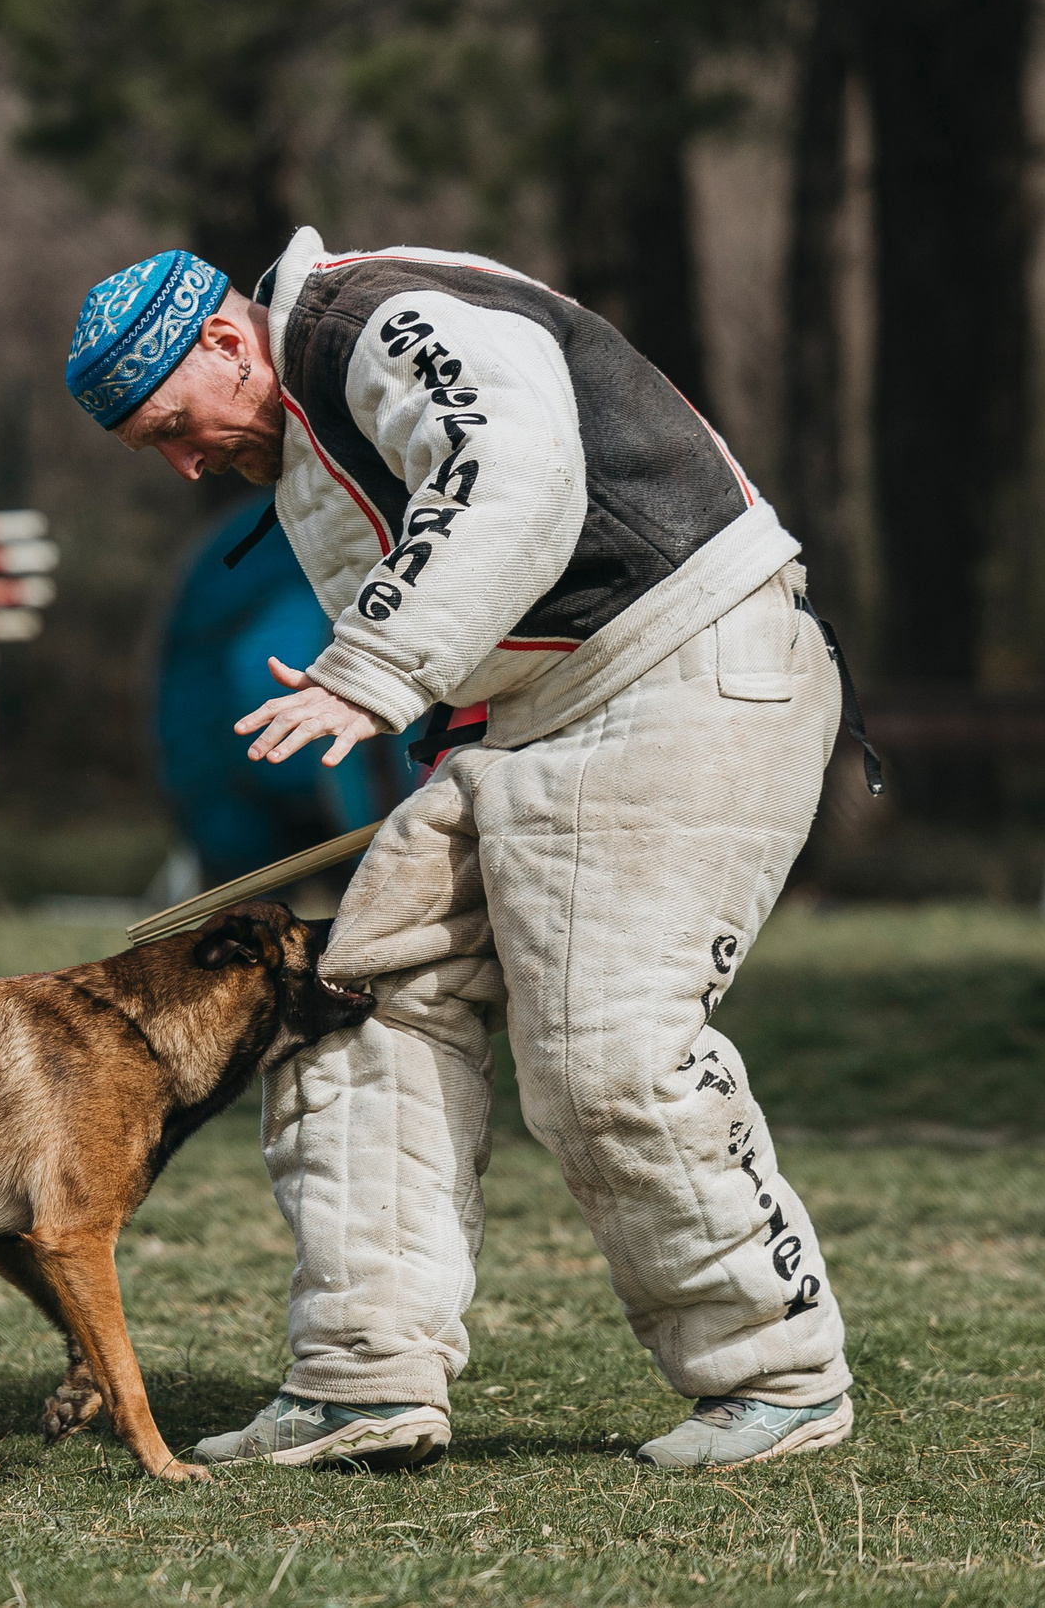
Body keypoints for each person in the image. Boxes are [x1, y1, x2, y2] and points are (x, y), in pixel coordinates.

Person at [65, 237, 866, 1471]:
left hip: (687, 668)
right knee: (352, 1006)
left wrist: (374, 672)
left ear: (228, 343)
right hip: (535, 724)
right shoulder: (306, 414)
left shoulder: (376, 321)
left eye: (176, 426)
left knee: (604, 1052)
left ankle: (779, 1374)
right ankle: (362, 1379)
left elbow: (513, 471)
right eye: (154, 453)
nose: (186, 465)